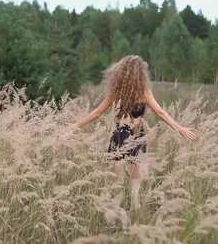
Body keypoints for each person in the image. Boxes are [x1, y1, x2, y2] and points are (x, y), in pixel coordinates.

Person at [74, 55, 196, 209]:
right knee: (135, 171)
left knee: (117, 174)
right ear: (141, 73)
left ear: (120, 71)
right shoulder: (144, 91)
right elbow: (160, 112)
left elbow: (98, 112)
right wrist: (179, 128)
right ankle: (134, 203)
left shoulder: (116, 90)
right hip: (137, 134)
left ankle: (116, 205)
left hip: (119, 133)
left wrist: (76, 125)